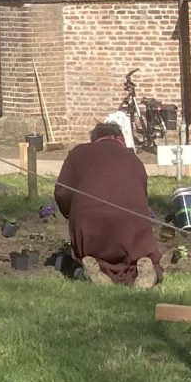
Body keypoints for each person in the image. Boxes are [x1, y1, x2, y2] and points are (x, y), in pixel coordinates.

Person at [55, 121, 161, 286]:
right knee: (137, 249)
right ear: (120, 139)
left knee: (90, 252)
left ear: (94, 139)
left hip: (91, 224)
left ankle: (95, 268)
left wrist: (71, 214)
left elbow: (62, 193)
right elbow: (142, 195)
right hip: (131, 225)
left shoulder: (79, 152)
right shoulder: (133, 158)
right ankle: (144, 269)